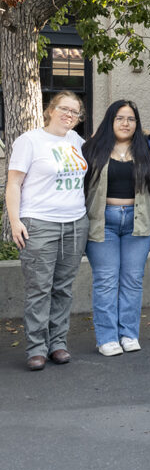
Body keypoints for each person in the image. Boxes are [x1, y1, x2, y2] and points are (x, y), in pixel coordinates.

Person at [6, 91, 89, 371]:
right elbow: (14, 184)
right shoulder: (29, 141)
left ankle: (58, 343)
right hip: (39, 223)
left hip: (75, 223)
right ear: (50, 110)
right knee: (39, 288)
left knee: (63, 288)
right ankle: (36, 348)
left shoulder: (77, 141)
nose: (69, 115)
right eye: (64, 109)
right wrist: (15, 221)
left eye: (75, 112)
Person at [83, 100, 150, 356]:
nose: (125, 123)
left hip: (138, 223)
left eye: (131, 119)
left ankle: (128, 334)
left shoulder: (147, 150)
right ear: (109, 121)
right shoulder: (91, 149)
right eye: (120, 118)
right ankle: (106, 337)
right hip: (102, 222)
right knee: (105, 281)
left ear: (137, 124)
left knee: (132, 281)